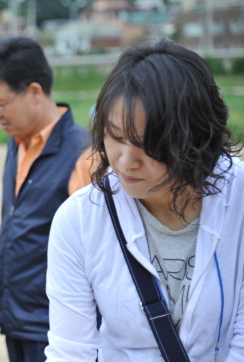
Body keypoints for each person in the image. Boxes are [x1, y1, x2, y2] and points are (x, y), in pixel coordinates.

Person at [45, 40, 244, 361]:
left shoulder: (239, 197)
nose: (125, 161)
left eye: (149, 144)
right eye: (116, 137)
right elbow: (71, 350)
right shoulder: (79, 219)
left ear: (196, 136)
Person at [0, 36, 90, 362]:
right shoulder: (17, 142)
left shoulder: (85, 154)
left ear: (35, 92)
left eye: (0, 104)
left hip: (58, 328)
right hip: (16, 320)